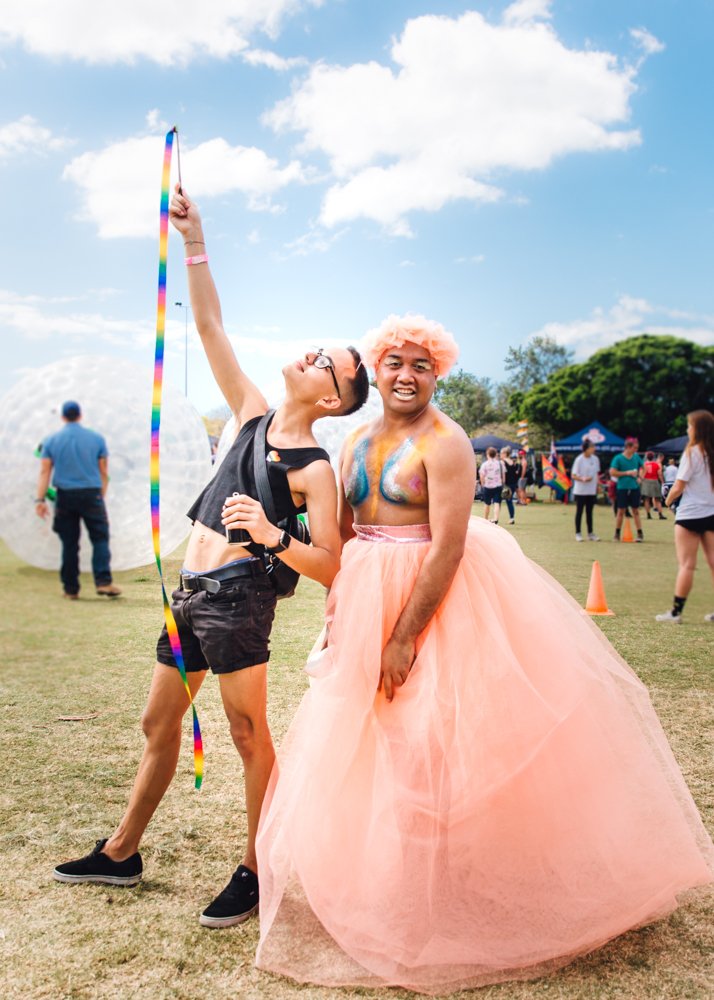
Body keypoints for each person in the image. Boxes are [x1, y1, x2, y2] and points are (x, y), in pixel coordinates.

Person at [255, 316, 713, 993]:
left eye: (421, 365)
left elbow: (447, 546)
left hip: (440, 603)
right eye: (394, 363)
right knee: (375, 741)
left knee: (439, 742)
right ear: (375, 373)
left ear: (437, 374)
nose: (406, 375)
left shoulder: (448, 442)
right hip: (366, 601)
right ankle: (399, 880)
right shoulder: (352, 441)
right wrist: (342, 611)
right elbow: (349, 537)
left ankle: (448, 886)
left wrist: (404, 635)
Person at [52, 188, 370, 928]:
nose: (309, 354)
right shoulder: (250, 411)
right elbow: (207, 323)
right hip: (189, 596)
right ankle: (123, 852)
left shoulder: (313, 468)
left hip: (238, 600)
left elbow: (333, 563)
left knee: (246, 735)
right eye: (316, 348)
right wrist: (195, 242)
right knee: (157, 727)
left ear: (332, 399)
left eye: (326, 361)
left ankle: (259, 869)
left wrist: (269, 532)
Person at [35, 401, 121, 600]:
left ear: (63, 417)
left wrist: (39, 500)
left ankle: (71, 589)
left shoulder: (51, 440)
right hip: (91, 494)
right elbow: (103, 471)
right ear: (80, 416)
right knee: (100, 538)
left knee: (69, 543)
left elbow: (44, 471)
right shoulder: (96, 438)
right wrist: (101, 494)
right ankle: (103, 582)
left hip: (65, 496)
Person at [655, 410, 714, 624]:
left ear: (697, 429)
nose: (688, 430)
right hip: (711, 513)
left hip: (689, 515)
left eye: (690, 426)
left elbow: (679, 485)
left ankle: (676, 612)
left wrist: (667, 501)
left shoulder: (693, 452)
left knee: (687, 565)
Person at [610, 437, 644, 541]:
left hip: (634, 487)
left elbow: (643, 467)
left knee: (636, 511)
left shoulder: (636, 457)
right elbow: (612, 472)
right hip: (622, 488)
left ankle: (640, 533)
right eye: (634, 448)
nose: (636, 450)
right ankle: (617, 533)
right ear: (628, 447)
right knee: (621, 511)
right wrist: (626, 473)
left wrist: (640, 477)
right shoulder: (618, 458)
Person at [571, 438, 601, 542]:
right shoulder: (579, 459)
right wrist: (583, 479)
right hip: (580, 491)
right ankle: (578, 533)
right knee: (579, 511)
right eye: (592, 447)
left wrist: (597, 486)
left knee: (590, 512)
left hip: (591, 490)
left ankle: (590, 533)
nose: (594, 449)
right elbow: (573, 475)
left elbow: (596, 474)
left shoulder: (595, 459)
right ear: (586, 449)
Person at [478, 446, 504, 523]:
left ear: (487, 454)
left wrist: (483, 484)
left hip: (487, 486)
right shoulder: (500, 464)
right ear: (495, 454)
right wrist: (503, 483)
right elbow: (503, 475)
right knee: (496, 502)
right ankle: (496, 518)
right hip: (498, 485)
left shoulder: (485, 464)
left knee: (487, 503)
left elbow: (482, 475)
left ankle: (485, 519)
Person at [642, 451, 667, 520]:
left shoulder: (644, 464)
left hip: (646, 482)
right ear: (653, 457)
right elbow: (659, 474)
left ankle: (648, 515)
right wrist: (663, 482)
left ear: (647, 457)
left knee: (646, 499)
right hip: (655, 481)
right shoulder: (656, 464)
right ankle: (660, 514)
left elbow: (642, 474)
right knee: (657, 499)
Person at [500, 445, 518, 524]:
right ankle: (511, 517)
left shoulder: (502, 462)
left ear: (504, 453)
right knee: (509, 501)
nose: (500, 455)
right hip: (513, 484)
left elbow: (502, 474)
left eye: (501, 453)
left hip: (506, 484)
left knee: (500, 500)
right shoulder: (512, 462)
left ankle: (496, 517)